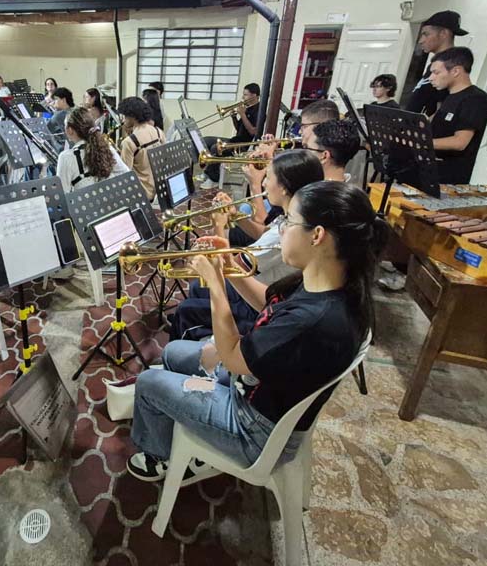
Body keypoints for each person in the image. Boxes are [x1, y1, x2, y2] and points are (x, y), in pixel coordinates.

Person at [127, 181, 388, 481]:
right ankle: (184, 416)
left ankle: (157, 457)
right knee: (173, 352)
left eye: (289, 221)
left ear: (317, 235)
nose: (281, 229)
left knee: (148, 383)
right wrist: (228, 265)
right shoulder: (331, 281)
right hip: (256, 389)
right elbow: (268, 303)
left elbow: (233, 356)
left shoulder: (315, 318)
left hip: (251, 427)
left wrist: (214, 284)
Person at [169, 149, 324, 341]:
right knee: (197, 289)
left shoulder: (286, 233)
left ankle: (185, 352)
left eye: (268, 177)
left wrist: (219, 225)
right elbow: (262, 233)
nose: (264, 183)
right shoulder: (295, 215)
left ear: (284, 188)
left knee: (186, 310)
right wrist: (234, 215)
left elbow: (231, 268)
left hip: (255, 303)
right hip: (265, 288)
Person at [428, 47, 487, 184]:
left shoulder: (475, 99)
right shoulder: (448, 96)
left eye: (436, 72)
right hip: (429, 170)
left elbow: (460, 142)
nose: (431, 78)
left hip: (448, 178)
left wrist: (420, 144)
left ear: (456, 71)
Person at [405, 10, 468, 117]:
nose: (421, 41)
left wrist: (422, 127)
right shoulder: (435, 64)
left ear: (444, 33)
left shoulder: (450, 65)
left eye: (426, 34)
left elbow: (443, 107)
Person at [200, 83, 261, 187]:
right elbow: (239, 129)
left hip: (244, 145)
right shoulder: (247, 108)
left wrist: (242, 114)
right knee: (206, 140)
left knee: (216, 148)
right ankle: (208, 171)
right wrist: (234, 117)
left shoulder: (259, 110)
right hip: (236, 139)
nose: (243, 97)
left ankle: (213, 179)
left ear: (254, 96)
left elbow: (253, 132)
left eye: (245, 95)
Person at [56, 107, 128, 192]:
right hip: (111, 202)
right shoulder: (106, 147)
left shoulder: (65, 157)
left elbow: (62, 194)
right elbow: (126, 175)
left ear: (70, 130)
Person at [118, 97, 166, 200]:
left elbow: (125, 176)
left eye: (125, 116)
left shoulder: (129, 142)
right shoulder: (158, 132)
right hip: (159, 189)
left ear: (132, 117)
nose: (123, 119)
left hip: (142, 193)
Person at [304, 118, 361, 183]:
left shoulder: (310, 191)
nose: (304, 153)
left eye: (307, 148)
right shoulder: (351, 189)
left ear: (324, 156)